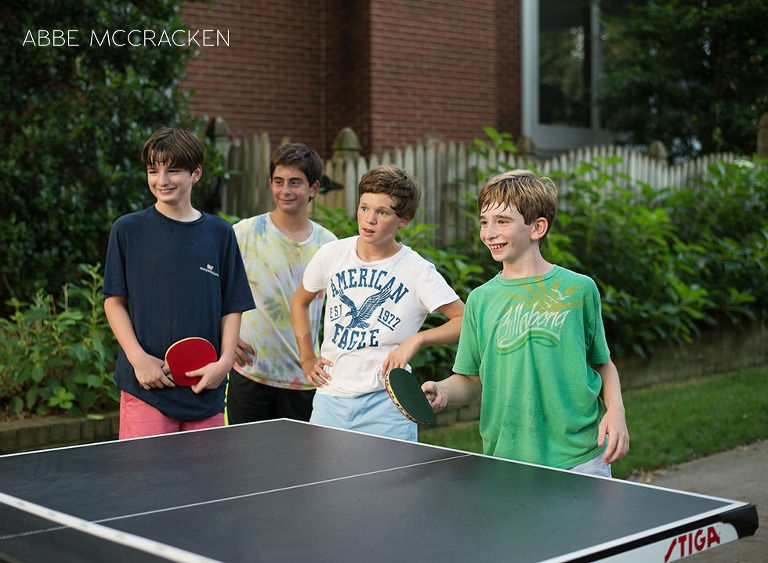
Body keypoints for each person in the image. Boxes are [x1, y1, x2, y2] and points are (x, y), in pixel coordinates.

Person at [423, 169, 629, 477]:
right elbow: (470, 379)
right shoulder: (480, 300)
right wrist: (443, 391)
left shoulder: (579, 289)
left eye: (502, 221)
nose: (489, 233)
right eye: (484, 221)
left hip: (581, 456)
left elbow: (602, 363)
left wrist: (616, 411)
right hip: (507, 458)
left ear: (537, 228)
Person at [290, 163, 465, 441]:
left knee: (387, 485)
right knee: (327, 484)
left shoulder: (417, 271)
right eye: (364, 208)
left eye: (382, 212)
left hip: (387, 405)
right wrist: (307, 357)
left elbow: (464, 321)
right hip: (330, 399)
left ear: (404, 219)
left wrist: (416, 340)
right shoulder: (331, 254)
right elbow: (299, 301)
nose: (369, 219)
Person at [103, 126, 255, 439]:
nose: (162, 180)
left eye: (173, 170)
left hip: (206, 388)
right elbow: (114, 301)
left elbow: (232, 306)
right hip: (147, 388)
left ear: (195, 173)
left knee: (206, 487)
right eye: (153, 171)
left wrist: (224, 363)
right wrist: (138, 360)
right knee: (147, 488)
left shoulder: (220, 233)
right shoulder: (127, 230)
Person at [227, 143, 337, 423]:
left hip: (305, 378)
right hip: (250, 372)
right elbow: (211, 290)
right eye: (278, 182)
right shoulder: (243, 234)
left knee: (299, 465)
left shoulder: (329, 246)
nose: (285, 190)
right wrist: (221, 335)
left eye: (295, 183)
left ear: (314, 188)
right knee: (244, 464)